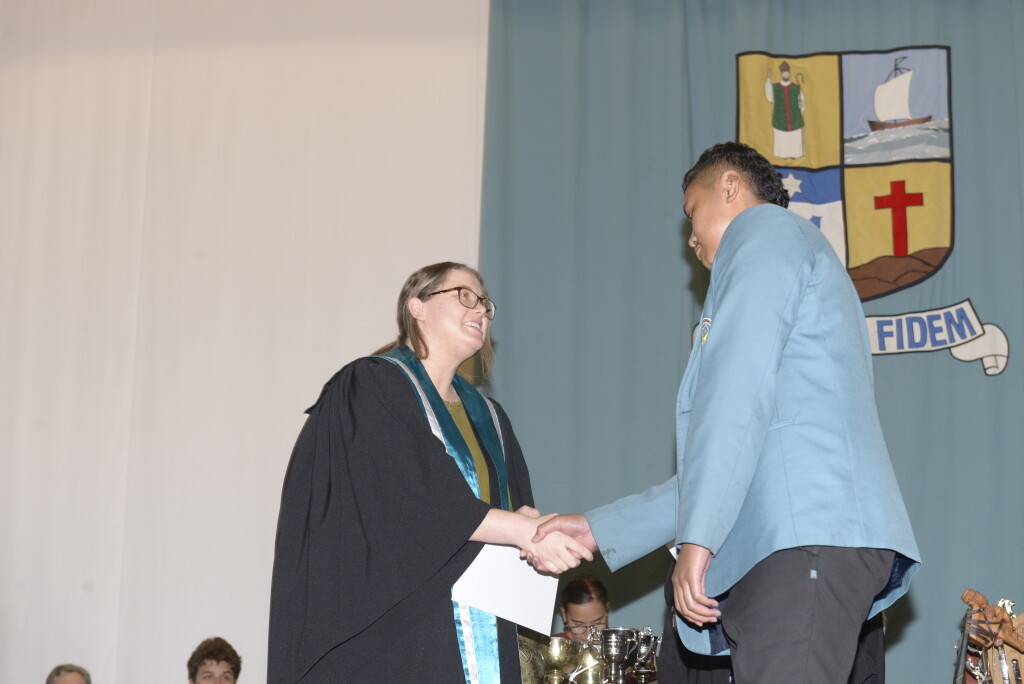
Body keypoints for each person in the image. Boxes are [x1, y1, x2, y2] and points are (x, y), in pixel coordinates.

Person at [533, 142, 920, 683]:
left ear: (730, 187)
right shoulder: (788, 255)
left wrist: (699, 542)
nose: (690, 238)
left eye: (693, 212)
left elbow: (733, 402)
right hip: (800, 536)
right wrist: (596, 528)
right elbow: (736, 461)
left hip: (802, 537)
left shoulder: (764, 232)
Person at [268, 261, 591, 683]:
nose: (481, 309)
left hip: (482, 612)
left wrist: (527, 523)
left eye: (485, 303)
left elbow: (492, 510)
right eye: (464, 295)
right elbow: (412, 498)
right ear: (417, 307)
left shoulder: (490, 417)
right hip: (401, 623)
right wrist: (521, 530)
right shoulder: (372, 385)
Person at [554, 574, 610, 642]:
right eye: (579, 625)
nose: (589, 634)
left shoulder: (618, 644)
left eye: (596, 623)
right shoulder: (550, 646)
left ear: (606, 611)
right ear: (564, 615)